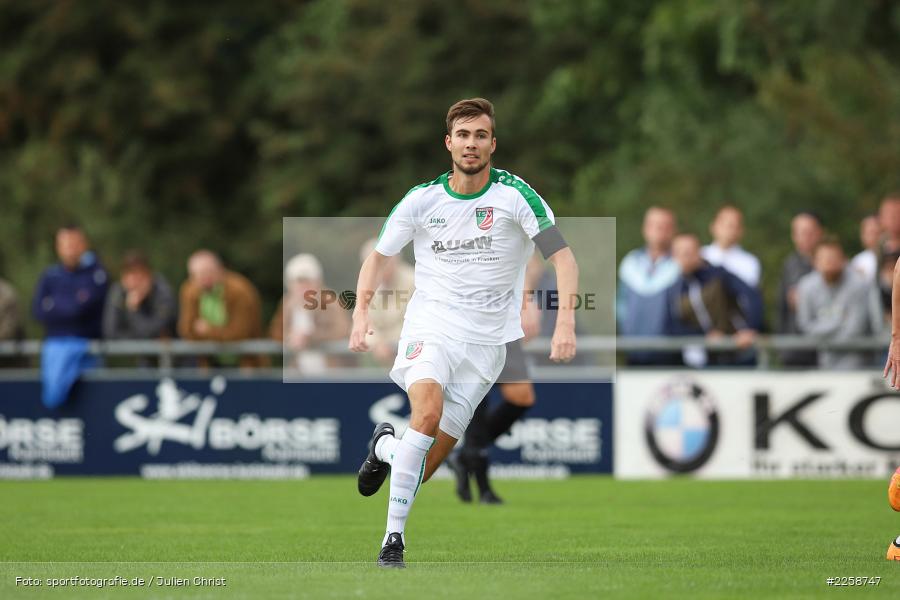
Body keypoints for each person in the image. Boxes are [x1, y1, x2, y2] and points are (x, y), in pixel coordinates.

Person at [349, 98, 578, 568]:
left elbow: (563, 257)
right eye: (463, 135)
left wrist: (566, 322)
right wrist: (360, 315)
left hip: (489, 345)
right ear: (448, 142)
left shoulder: (516, 195)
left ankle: (386, 446)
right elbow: (378, 257)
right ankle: (394, 541)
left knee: (423, 467)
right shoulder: (422, 199)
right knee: (427, 415)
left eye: (480, 136)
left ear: (492, 143)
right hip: (432, 326)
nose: (471, 144)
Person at [449, 252, 544, 504]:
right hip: (469, 316)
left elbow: (524, 260)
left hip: (502, 318)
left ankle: (464, 455)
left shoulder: (519, 216)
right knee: (477, 397)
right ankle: (483, 487)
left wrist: (527, 298)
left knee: (521, 397)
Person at [31, 224, 108, 408]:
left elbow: (82, 310)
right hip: (55, 345)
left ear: (83, 245)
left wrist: (56, 306)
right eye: (65, 244)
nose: (69, 250)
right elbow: (38, 311)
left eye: (73, 244)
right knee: (55, 397)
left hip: (87, 346)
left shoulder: (97, 274)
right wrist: (73, 304)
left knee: (94, 404)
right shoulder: (50, 275)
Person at [666, 233, 762, 367]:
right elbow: (676, 324)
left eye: (689, 252)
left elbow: (751, 295)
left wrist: (749, 328)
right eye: (680, 253)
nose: (685, 257)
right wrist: (704, 336)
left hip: (738, 352)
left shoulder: (718, 275)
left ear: (699, 252)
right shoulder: (676, 288)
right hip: (706, 358)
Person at [796, 238, 882, 369]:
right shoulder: (806, 286)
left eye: (833, 258)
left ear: (843, 260)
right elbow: (806, 327)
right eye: (824, 258)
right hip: (822, 359)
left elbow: (855, 329)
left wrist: (824, 330)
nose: (829, 262)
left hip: (857, 360)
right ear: (814, 262)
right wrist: (839, 321)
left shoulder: (859, 284)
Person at [617, 206, 681, 365]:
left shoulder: (682, 263)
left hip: (672, 354)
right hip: (634, 353)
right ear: (645, 229)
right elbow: (620, 305)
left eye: (665, 225)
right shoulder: (631, 263)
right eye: (654, 225)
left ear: (673, 230)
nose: (659, 230)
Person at [177, 250, 263, 367]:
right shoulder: (189, 290)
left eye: (207, 273)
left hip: (244, 363)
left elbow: (240, 334)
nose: (203, 279)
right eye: (197, 275)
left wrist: (208, 331)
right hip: (208, 363)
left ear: (219, 269)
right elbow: (187, 330)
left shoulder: (240, 290)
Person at [270, 253, 350, 373]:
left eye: (308, 282)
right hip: (299, 371)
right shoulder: (287, 304)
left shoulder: (331, 301)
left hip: (331, 370)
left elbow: (342, 330)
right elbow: (276, 331)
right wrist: (289, 338)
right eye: (299, 282)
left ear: (318, 282)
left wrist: (310, 337)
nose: (303, 287)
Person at [355, 238, 415, 367]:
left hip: (411, 357)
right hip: (382, 360)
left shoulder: (413, 281)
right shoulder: (368, 286)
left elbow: (414, 322)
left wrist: (388, 343)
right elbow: (363, 323)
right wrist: (376, 343)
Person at [776, 212, 823, 367]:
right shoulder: (789, 266)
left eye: (810, 232)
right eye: (801, 232)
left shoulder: (835, 264)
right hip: (794, 350)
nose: (806, 237)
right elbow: (782, 308)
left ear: (819, 233)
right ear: (794, 236)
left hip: (828, 350)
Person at [102, 251, 177, 340]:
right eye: (130, 276)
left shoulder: (163, 293)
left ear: (149, 276)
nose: (135, 283)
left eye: (139, 277)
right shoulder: (118, 292)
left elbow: (152, 332)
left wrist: (133, 311)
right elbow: (110, 333)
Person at [701, 205, 761, 287]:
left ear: (741, 231)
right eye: (724, 224)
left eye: (733, 226)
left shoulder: (750, 262)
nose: (728, 230)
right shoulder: (700, 255)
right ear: (713, 226)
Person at [850, 214, 881, 281]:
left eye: (876, 232)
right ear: (862, 236)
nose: (874, 237)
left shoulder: (891, 256)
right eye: (870, 233)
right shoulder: (858, 261)